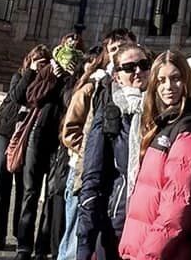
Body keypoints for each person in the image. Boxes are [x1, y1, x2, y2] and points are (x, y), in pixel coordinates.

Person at [120, 51, 191, 260]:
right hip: (139, 247)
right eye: (161, 80)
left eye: (175, 78)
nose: (168, 87)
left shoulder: (187, 131)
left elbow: (176, 209)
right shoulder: (162, 124)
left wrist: (147, 255)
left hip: (158, 253)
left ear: (186, 81)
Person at [60, 31, 137, 260]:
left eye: (124, 47)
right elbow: (70, 130)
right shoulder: (94, 86)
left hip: (116, 187)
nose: (119, 52)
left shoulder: (143, 94)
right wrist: (91, 152)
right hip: (85, 172)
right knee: (75, 242)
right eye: (114, 49)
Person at [78, 42, 151, 259]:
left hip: (149, 221)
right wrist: (85, 240)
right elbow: (93, 175)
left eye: (143, 64)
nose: (138, 71)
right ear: (117, 76)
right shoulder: (111, 113)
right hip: (117, 219)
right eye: (128, 67)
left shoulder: (163, 113)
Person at [15, 47, 79, 260]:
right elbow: (31, 96)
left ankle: (42, 247)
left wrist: (68, 78)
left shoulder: (74, 78)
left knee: (51, 194)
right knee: (30, 192)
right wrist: (53, 78)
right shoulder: (48, 72)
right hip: (38, 136)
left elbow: (70, 103)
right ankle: (24, 246)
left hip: (58, 142)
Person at [0, 46, 52, 251]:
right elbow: (17, 96)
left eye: (44, 62)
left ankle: (20, 234)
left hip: (28, 139)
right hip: (5, 134)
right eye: (37, 60)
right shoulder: (18, 76)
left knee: (24, 188)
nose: (40, 64)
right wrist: (30, 72)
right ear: (29, 60)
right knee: (1, 184)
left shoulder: (46, 83)